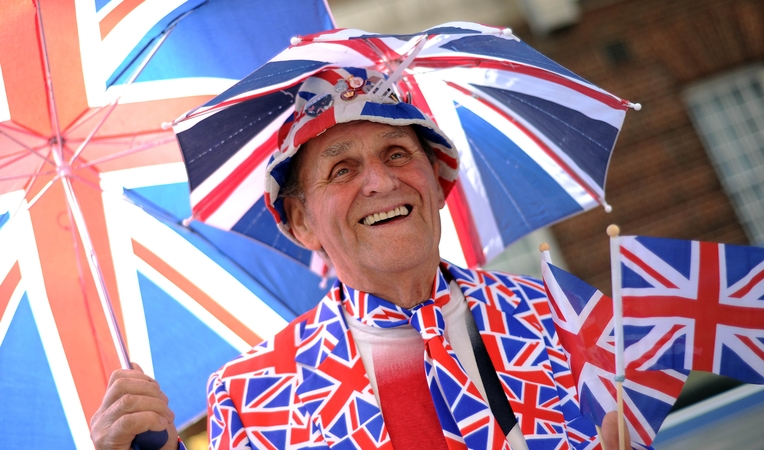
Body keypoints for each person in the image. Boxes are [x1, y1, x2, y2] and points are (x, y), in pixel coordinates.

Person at [91, 67, 630, 450]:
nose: (380, 181)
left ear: (438, 184)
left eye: (397, 153)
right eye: (342, 169)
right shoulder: (251, 394)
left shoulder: (562, 317)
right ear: (300, 223)